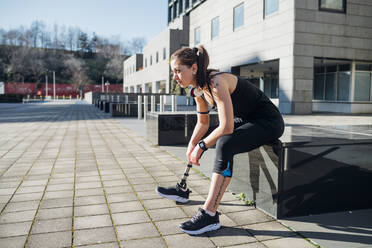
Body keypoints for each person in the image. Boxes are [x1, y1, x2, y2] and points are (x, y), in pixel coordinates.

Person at [156, 45, 284, 235]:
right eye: (173, 72)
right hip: (245, 122)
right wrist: (192, 145)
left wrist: (202, 145)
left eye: (178, 71)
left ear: (193, 68)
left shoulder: (216, 82)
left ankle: (209, 214)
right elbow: (203, 123)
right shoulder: (198, 90)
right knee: (208, 139)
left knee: (225, 142)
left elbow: (227, 127)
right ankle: (182, 188)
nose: (175, 77)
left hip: (268, 122)